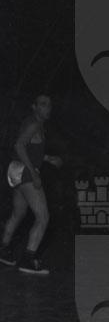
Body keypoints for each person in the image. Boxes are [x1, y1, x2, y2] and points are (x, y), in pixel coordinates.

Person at [0, 94, 62, 274]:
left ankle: (3, 249)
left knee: (18, 213)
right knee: (43, 217)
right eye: (43, 104)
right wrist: (34, 173)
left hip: (15, 169)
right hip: (25, 171)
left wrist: (47, 158)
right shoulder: (34, 124)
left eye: (49, 104)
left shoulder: (32, 123)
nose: (47, 107)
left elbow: (29, 148)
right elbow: (19, 146)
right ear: (34, 107)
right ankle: (28, 260)